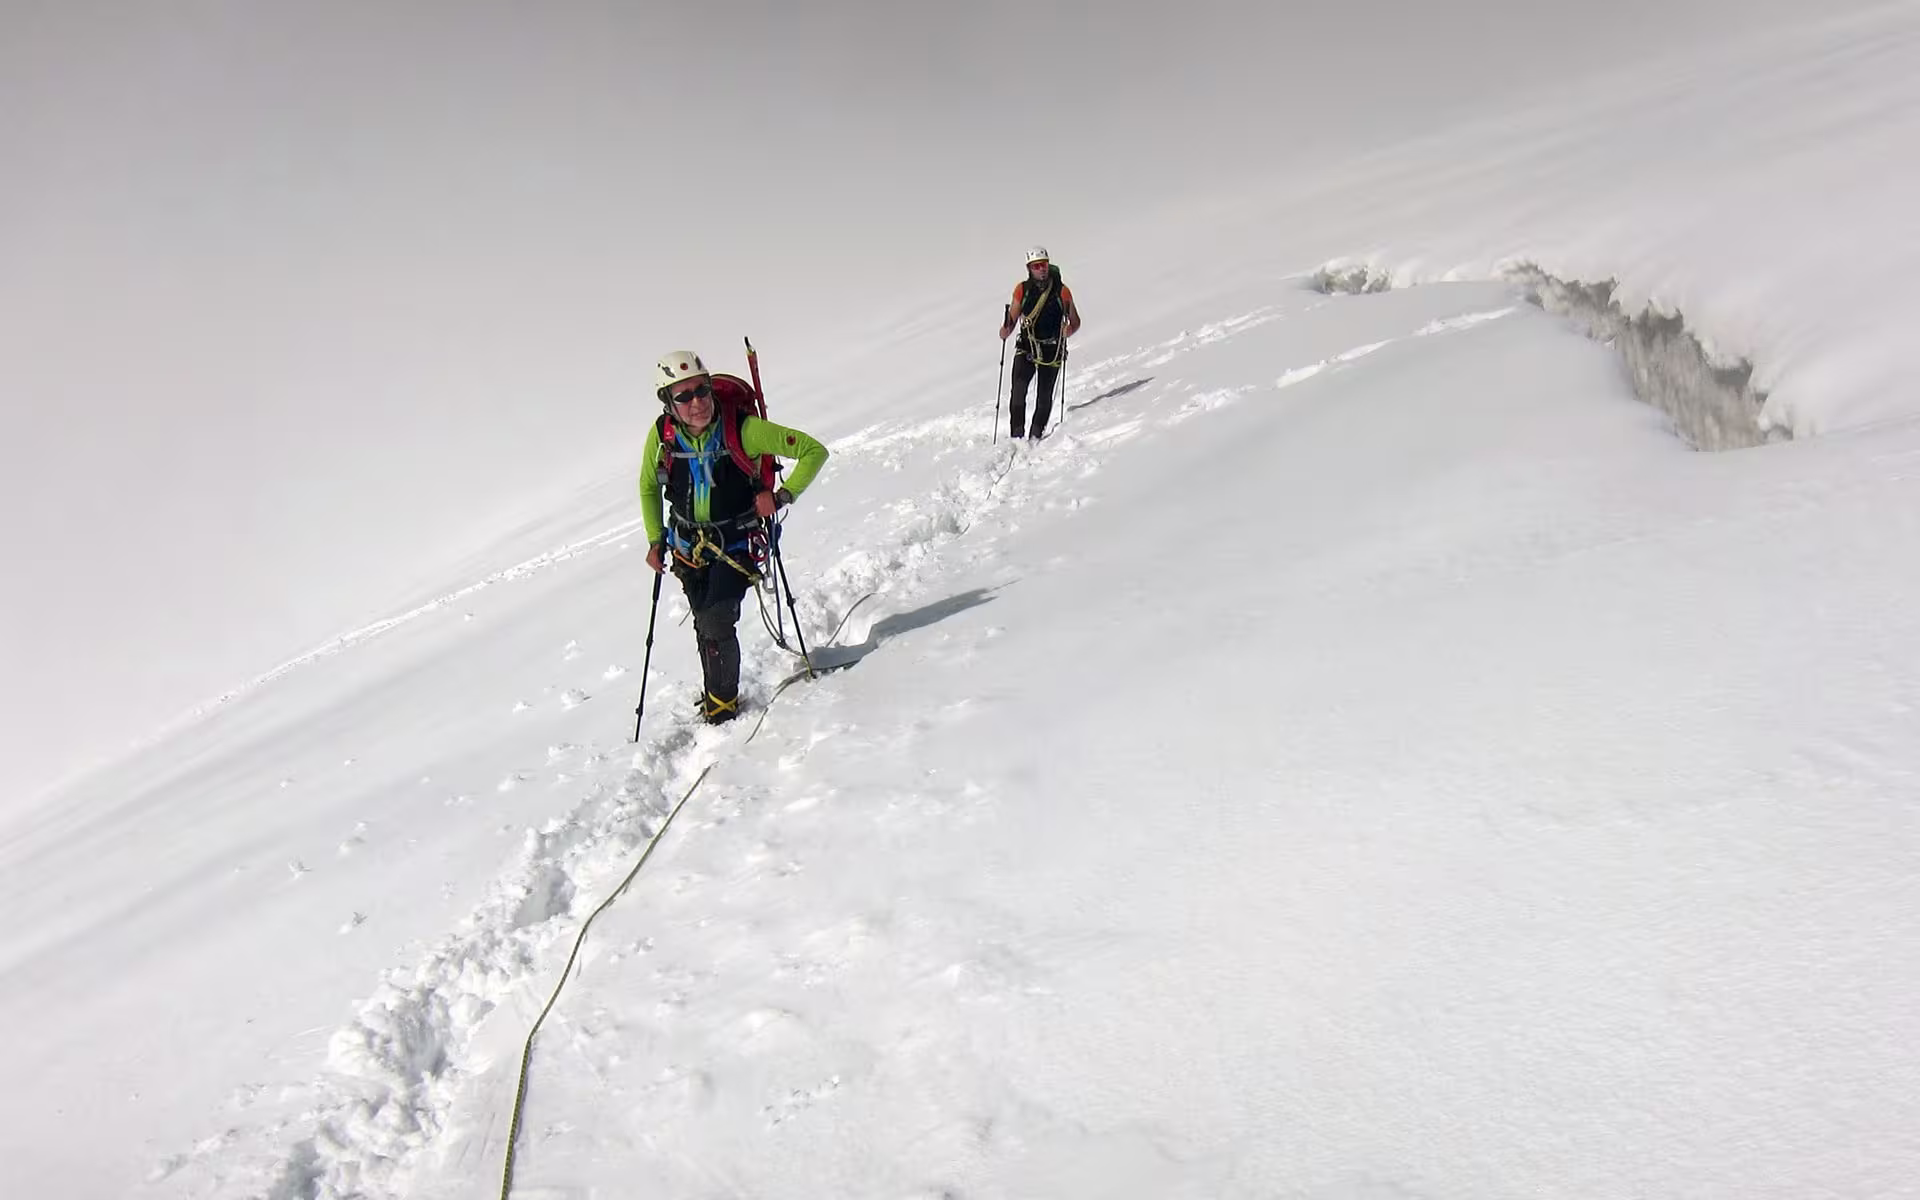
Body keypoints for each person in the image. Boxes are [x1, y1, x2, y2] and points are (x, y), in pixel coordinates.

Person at [640, 350, 829, 724]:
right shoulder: (662, 436)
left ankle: (722, 706)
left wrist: (781, 496)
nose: (697, 402)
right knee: (703, 619)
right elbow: (648, 486)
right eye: (684, 395)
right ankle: (716, 689)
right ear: (668, 402)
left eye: (702, 390)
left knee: (716, 620)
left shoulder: (743, 429)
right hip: (685, 549)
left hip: (738, 545)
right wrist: (655, 538)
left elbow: (812, 451)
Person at [997, 245, 1083, 439]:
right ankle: (1017, 436)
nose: (1041, 269)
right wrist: (1005, 331)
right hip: (1027, 345)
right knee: (1018, 392)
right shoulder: (1022, 290)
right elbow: (1013, 317)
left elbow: (1075, 321)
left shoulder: (1062, 291)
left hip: (1052, 349)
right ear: (1029, 268)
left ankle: (1035, 437)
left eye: (1043, 264)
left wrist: (1067, 331)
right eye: (1036, 266)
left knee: (1044, 398)